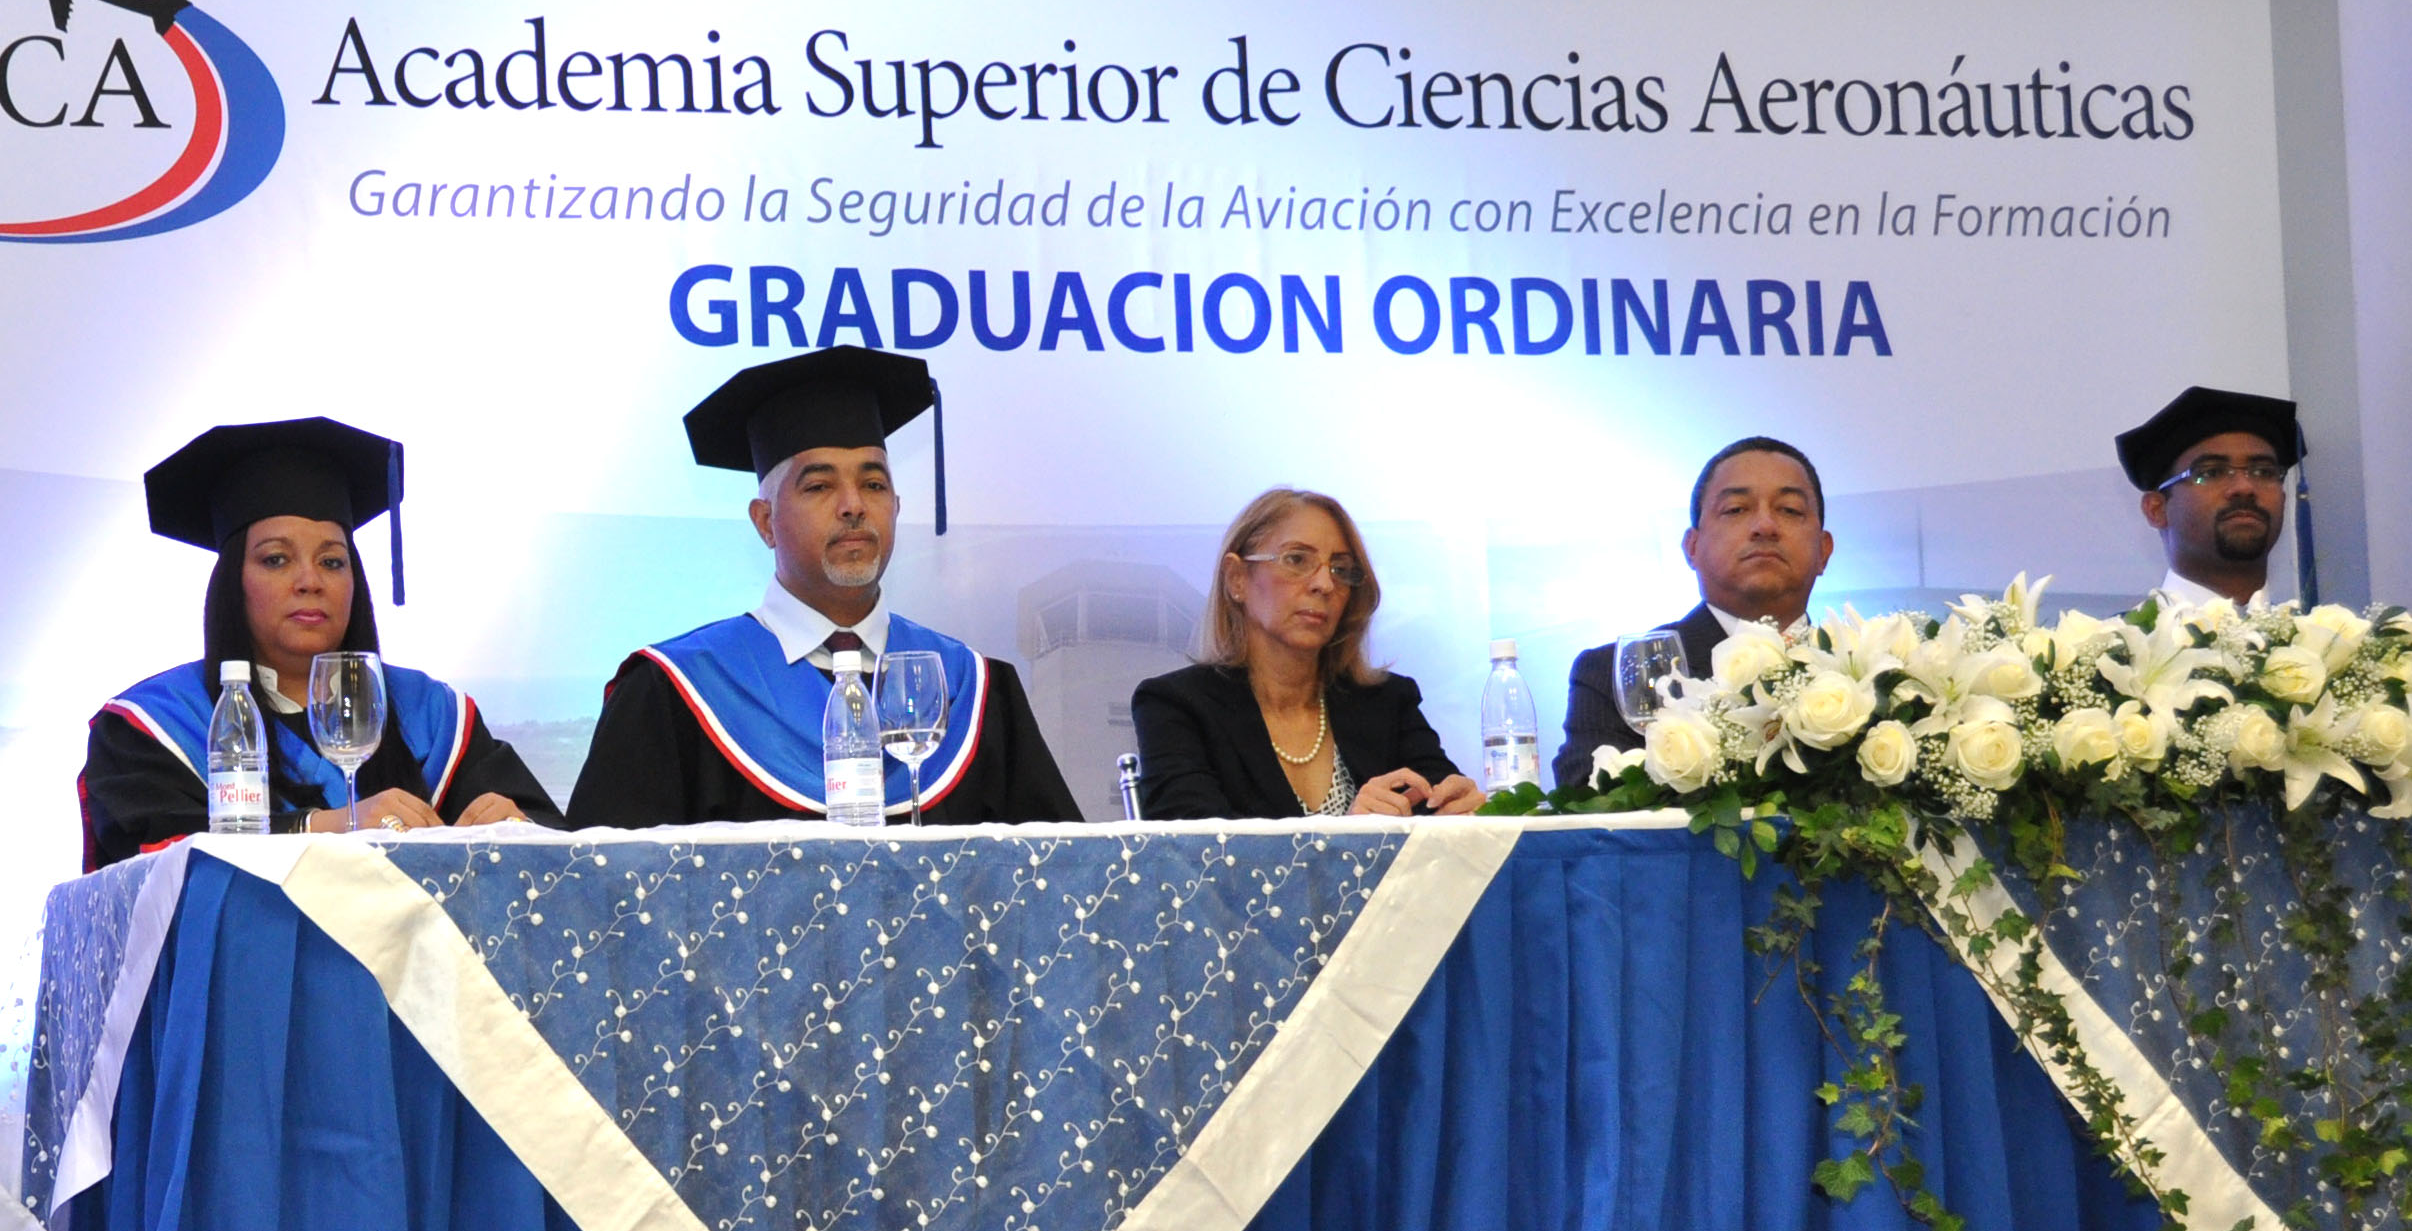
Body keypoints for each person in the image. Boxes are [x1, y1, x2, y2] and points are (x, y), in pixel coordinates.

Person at [572, 347, 1077, 828]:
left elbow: (1063, 873)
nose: (853, 505)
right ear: (765, 522)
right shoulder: (674, 692)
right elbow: (606, 882)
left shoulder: (972, 690)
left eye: (874, 485)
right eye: (819, 486)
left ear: (896, 508)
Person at [79, 417, 564, 870]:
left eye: (332, 562)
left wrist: (516, 828)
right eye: (276, 559)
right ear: (232, 582)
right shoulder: (158, 722)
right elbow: (150, 868)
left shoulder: (432, 715)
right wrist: (323, 827)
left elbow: (560, 842)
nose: (310, 581)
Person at [1132, 488, 1475, 819]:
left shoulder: (1388, 702)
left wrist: (1459, 809)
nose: (1324, 584)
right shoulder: (1176, 705)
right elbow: (1193, 847)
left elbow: (1437, 809)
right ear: (1237, 578)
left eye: (1340, 569)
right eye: (1296, 559)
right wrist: (1352, 836)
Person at [1549, 437, 1837, 791]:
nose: (1765, 526)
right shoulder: (1613, 674)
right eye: (1736, 509)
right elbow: (1586, 800)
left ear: (1824, 550)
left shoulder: (1873, 672)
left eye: (1789, 510)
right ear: (1692, 547)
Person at [2115, 385, 2302, 613]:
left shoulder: (2324, 634)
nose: (2244, 487)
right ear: (2156, 509)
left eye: (2263, 472)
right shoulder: (2116, 636)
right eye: (2211, 473)